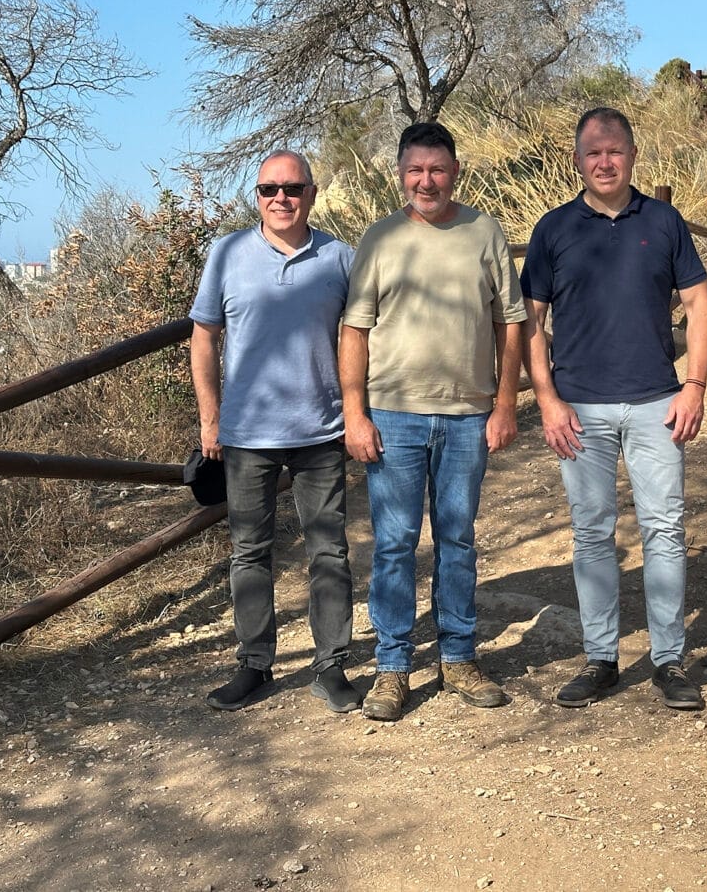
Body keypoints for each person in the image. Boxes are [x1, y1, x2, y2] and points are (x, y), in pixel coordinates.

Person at [522, 106, 707, 710]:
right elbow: (528, 322)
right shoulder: (553, 229)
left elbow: (703, 306)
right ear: (577, 160)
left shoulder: (662, 222)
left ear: (633, 156)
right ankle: (600, 657)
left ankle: (669, 660)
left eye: (615, 151)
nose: (604, 162)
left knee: (663, 529)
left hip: (657, 402)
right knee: (591, 532)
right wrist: (548, 400)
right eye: (592, 153)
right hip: (580, 408)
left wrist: (696, 385)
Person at [340, 121, 527, 722]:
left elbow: (512, 322)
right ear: (401, 175)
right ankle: (393, 667)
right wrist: (354, 412)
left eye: (437, 169)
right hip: (392, 415)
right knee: (394, 544)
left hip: (467, 414)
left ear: (455, 172)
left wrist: (504, 403)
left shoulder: (484, 231)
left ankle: (459, 657)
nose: (427, 180)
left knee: (458, 538)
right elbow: (355, 329)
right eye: (416, 170)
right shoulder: (381, 239)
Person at [190, 150, 360, 714]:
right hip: (245, 434)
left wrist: (361, 409)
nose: (281, 199)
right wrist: (211, 419)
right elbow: (204, 338)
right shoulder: (228, 253)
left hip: (320, 431)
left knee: (329, 551)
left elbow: (369, 332)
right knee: (249, 553)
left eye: (292, 189)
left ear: (312, 193)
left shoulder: (339, 257)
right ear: (256, 196)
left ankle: (331, 665)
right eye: (269, 189)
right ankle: (254, 665)